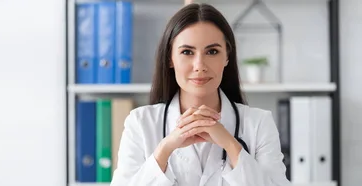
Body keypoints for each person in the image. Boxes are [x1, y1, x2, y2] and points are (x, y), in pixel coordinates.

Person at [109, 3, 291, 186]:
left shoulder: (258, 124)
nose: (199, 65)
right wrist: (165, 149)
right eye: (187, 52)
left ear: (227, 57)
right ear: (170, 58)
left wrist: (231, 146)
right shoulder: (140, 123)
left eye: (212, 52)